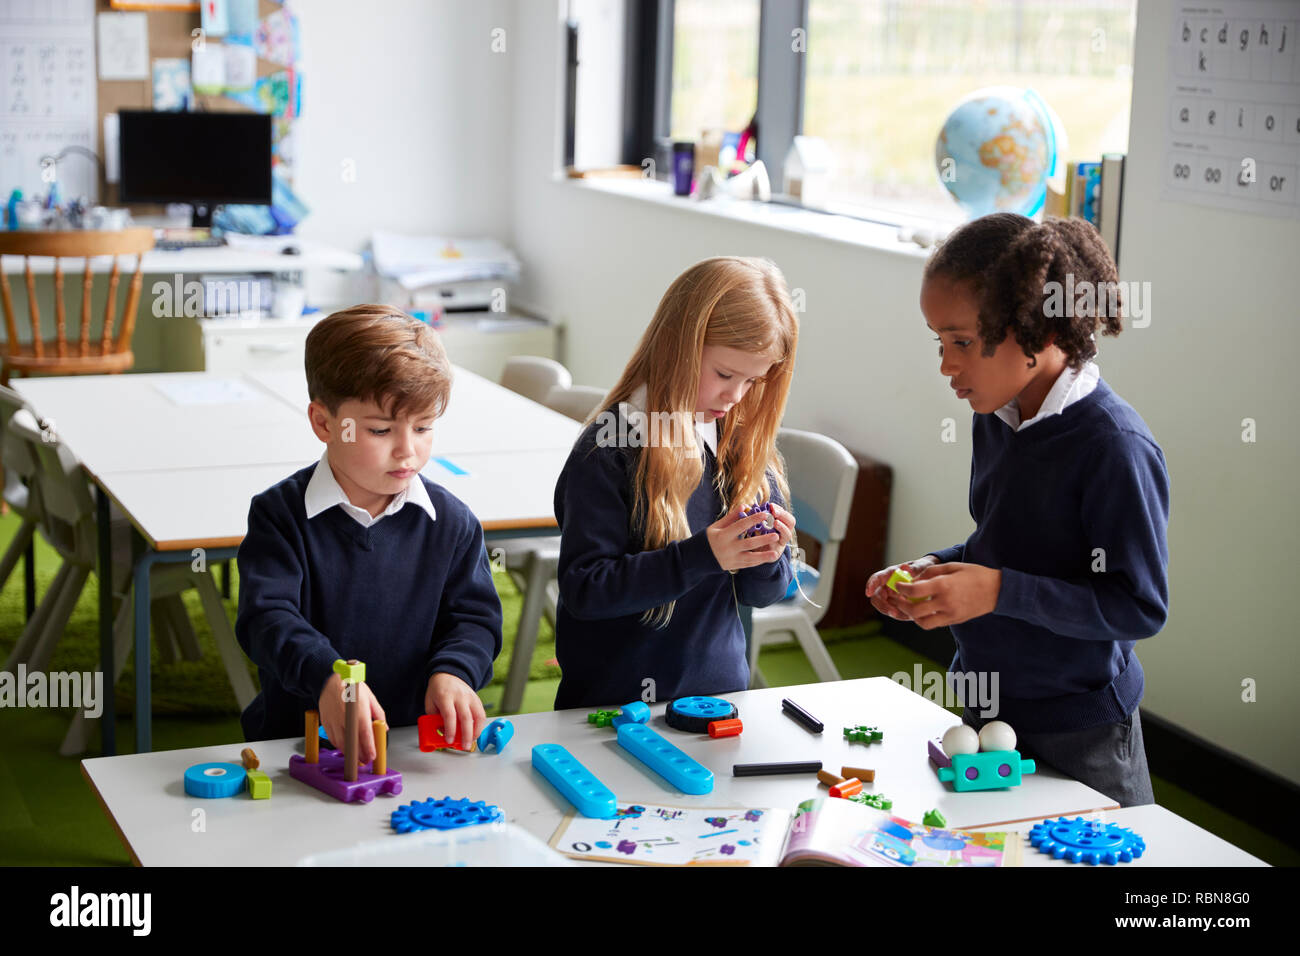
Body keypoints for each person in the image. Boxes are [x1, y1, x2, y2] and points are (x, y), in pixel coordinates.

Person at [867, 214, 1169, 807]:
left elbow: (1137, 606)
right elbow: (1005, 546)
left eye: (963, 342)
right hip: (986, 704)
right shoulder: (997, 417)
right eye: (939, 342)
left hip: (1080, 731)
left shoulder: (1114, 448)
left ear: (1037, 330)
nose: (946, 365)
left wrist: (997, 592)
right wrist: (935, 569)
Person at [236, 305, 502, 758]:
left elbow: (473, 620)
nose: (407, 451)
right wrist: (327, 677)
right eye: (380, 430)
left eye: (424, 428)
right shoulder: (279, 515)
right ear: (323, 423)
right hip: (299, 745)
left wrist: (455, 672)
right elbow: (266, 619)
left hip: (412, 747)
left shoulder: (452, 523)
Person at [553, 256, 800, 708]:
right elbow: (585, 590)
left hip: (719, 700)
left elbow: (762, 594)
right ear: (678, 347)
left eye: (753, 381)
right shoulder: (610, 448)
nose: (736, 396)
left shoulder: (741, 444)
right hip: (614, 709)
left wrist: (767, 555)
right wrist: (702, 555)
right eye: (724, 374)